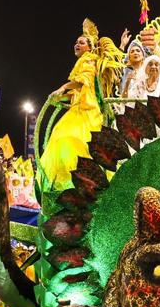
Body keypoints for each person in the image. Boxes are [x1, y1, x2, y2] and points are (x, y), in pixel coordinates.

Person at [39, 20, 126, 190]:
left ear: (90, 46)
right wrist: (61, 96)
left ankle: (78, 184)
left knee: (70, 141)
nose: (76, 45)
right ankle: (74, 184)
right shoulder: (88, 59)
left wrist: (62, 87)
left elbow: (83, 81)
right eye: (76, 42)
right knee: (71, 144)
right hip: (81, 108)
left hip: (87, 111)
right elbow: (79, 88)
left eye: (81, 42)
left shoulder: (89, 59)